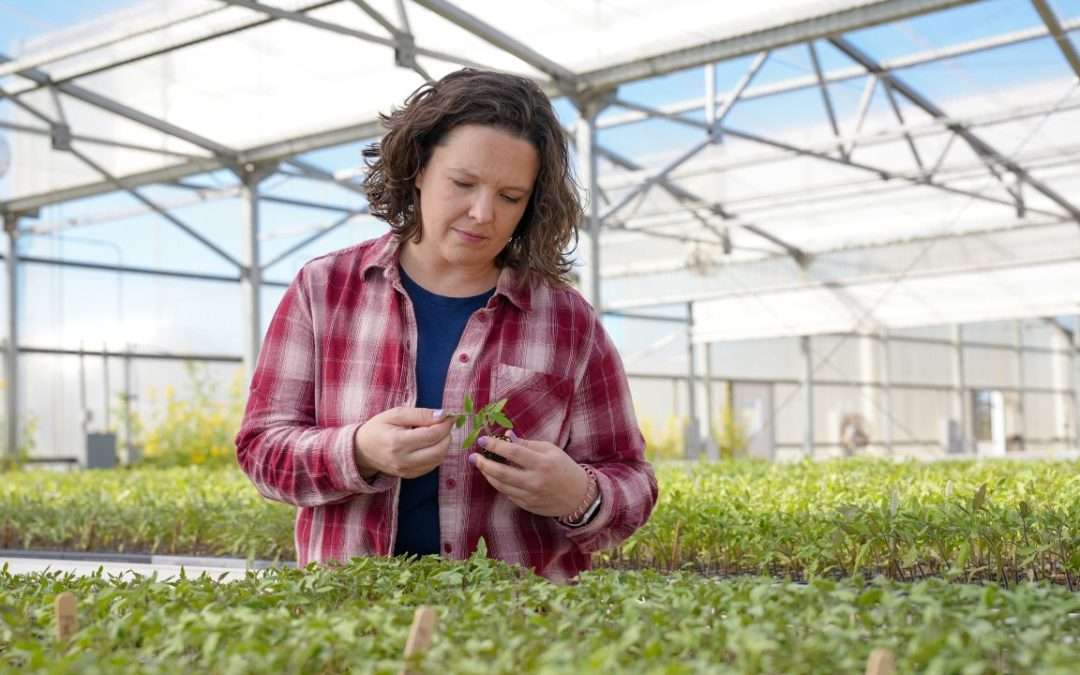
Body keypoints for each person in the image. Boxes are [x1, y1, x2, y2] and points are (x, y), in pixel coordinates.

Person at [235, 68, 658, 583]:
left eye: (510, 197)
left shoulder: (568, 320)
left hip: (519, 631)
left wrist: (579, 495)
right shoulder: (323, 290)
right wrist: (360, 450)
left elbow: (631, 478)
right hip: (352, 619)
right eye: (463, 183)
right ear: (418, 168)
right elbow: (261, 450)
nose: (482, 213)